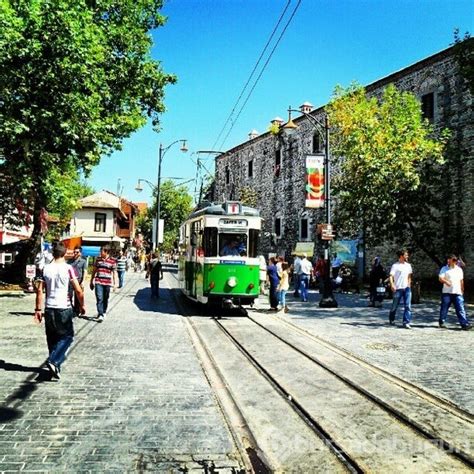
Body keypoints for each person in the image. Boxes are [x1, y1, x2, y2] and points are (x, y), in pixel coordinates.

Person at [34, 242, 85, 380]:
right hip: (64, 307)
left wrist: (37, 309)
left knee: (52, 338)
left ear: (53, 253)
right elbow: (78, 290)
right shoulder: (69, 269)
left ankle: (54, 368)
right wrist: (82, 305)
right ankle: (54, 361)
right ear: (64, 253)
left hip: (49, 308)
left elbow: (39, 290)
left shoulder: (45, 268)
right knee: (67, 336)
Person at [438, 254, 471, 330]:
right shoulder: (444, 268)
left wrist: (462, 290)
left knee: (460, 308)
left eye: (453, 260)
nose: (449, 261)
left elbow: (461, 281)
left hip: (457, 292)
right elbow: (440, 278)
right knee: (444, 308)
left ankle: (464, 324)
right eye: (449, 259)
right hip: (447, 293)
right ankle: (442, 321)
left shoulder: (459, 270)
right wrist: (446, 282)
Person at [90, 245, 117, 322]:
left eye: (101, 251)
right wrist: (91, 280)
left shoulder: (112, 261)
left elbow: (114, 273)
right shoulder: (98, 260)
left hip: (107, 283)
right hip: (98, 281)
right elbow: (94, 271)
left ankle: (103, 311)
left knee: (105, 298)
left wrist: (115, 284)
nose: (100, 253)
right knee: (99, 298)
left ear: (106, 252)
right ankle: (100, 313)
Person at [388, 249, 413, 329]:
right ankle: (391, 318)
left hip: (406, 288)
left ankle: (406, 322)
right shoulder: (395, 266)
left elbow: (409, 276)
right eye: (406, 255)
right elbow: (391, 276)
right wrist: (392, 285)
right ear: (401, 256)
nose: (407, 256)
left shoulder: (408, 265)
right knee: (395, 305)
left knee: (407, 305)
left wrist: (409, 284)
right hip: (398, 288)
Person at [68, 246, 87, 317]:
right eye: (74, 252)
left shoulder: (83, 261)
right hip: (70, 281)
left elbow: (85, 271)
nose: (75, 253)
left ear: (80, 253)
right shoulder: (70, 261)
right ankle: (70, 309)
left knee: (78, 296)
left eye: (77, 252)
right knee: (69, 295)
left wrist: (83, 281)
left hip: (79, 281)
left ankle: (77, 310)